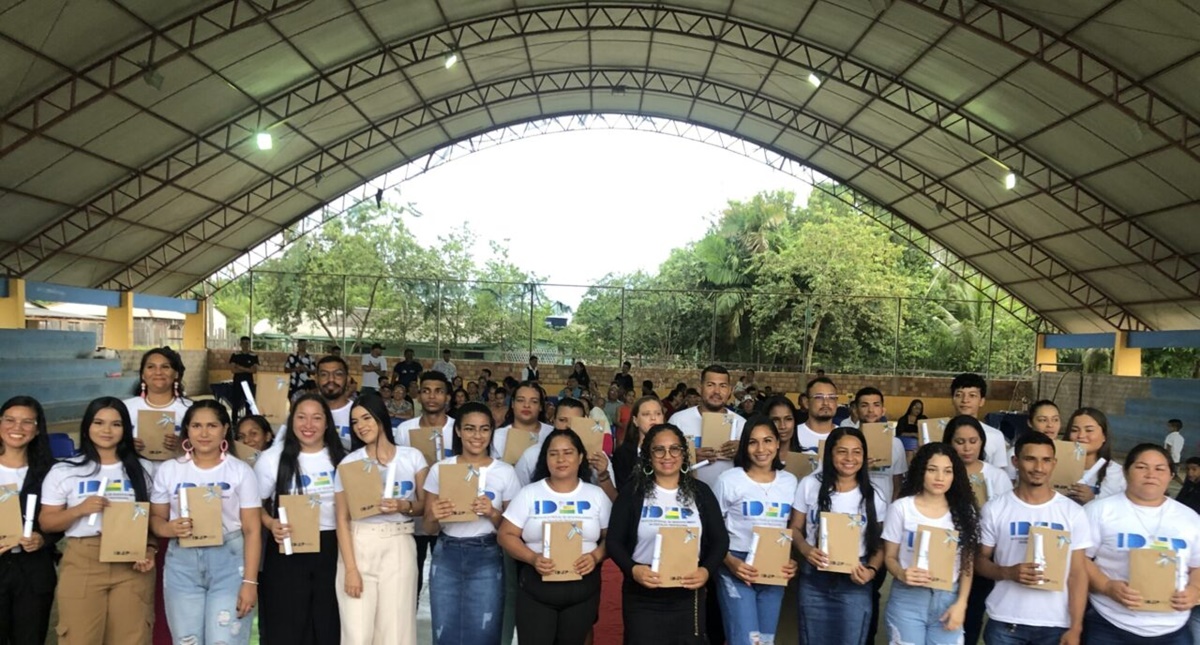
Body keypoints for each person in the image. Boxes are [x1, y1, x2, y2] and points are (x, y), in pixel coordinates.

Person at [40, 397, 157, 644]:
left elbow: (154, 518)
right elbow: (48, 523)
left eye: (116, 424)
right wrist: (78, 510)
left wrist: (150, 549)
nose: (107, 430)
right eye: (99, 422)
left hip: (131, 563)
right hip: (84, 561)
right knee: (79, 637)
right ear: (87, 427)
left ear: (125, 429)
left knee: (131, 637)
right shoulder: (65, 470)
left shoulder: (143, 468)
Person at [150, 400, 261, 644]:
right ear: (187, 430)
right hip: (182, 565)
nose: (203, 433)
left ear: (224, 429)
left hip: (229, 564)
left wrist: (250, 582)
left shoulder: (240, 471)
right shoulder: (170, 470)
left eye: (212, 425)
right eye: (196, 425)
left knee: (225, 639)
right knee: (186, 639)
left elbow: (252, 530)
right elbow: (156, 519)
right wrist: (168, 528)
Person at [606, 423, 729, 643]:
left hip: (688, 593)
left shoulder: (701, 493)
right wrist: (633, 570)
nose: (667, 456)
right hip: (643, 594)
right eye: (659, 449)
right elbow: (614, 541)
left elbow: (720, 540)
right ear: (648, 455)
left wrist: (706, 571)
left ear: (683, 454)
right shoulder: (633, 492)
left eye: (675, 449)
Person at [974, 432, 1091, 645]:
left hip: (1056, 624)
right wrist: (1007, 572)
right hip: (1005, 621)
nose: (1039, 468)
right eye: (1030, 459)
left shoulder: (1073, 513)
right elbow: (979, 561)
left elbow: (1077, 573)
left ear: (1054, 463)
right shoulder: (995, 509)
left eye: (1046, 460)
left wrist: (1076, 626)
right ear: (1015, 462)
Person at [499, 428, 611, 644]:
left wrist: (596, 556)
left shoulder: (595, 495)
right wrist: (532, 558)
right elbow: (506, 535)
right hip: (537, 587)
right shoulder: (530, 493)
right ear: (545, 459)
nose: (561, 459)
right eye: (553, 453)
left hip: (582, 589)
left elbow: (611, 538)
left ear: (580, 457)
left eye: (568, 452)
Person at [423, 402, 521, 645]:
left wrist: (493, 513)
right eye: (469, 429)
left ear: (491, 432)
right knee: (445, 630)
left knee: (484, 631)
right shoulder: (440, 470)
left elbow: (513, 532)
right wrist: (434, 514)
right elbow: (429, 528)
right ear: (458, 431)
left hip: (487, 554)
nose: (477, 436)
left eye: (484, 429)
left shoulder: (505, 472)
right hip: (447, 553)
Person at [1083, 443, 1200, 644]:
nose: (1150, 474)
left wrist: (1195, 589)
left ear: (1171, 475)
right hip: (1109, 625)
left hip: (1173, 629)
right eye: (1141, 467)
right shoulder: (1099, 511)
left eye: (1160, 468)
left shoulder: (1190, 518)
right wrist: (1107, 586)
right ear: (1126, 472)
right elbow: (1078, 559)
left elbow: (1197, 565)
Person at [334, 394, 427, 645]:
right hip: (360, 542)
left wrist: (403, 505)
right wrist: (351, 570)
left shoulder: (412, 457)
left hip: (399, 543)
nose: (361, 426)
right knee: (358, 632)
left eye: (366, 418)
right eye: (354, 422)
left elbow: (425, 506)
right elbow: (341, 519)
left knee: (396, 631)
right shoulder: (349, 463)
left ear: (381, 418)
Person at [255, 394, 348, 644]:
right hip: (287, 547)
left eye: (317, 418)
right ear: (292, 420)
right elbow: (253, 506)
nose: (309, 425)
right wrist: (270, 523)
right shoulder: (272, 460)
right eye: (301, 417)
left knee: (328, 622)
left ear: (327, 423)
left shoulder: (343, 459)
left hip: (332, 547)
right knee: (288, 623)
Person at [790, 427, 886, 645]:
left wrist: (871, 571)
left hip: (854, 581)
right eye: (842, 451)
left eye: (857, 452)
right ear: (830, 454)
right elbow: (795, 529)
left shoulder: (874, 495)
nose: (850, 458)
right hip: (814, 579)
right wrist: (806, 550)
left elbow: (880, 543)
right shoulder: (810, 485)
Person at [882, 442, 980, 645]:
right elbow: (889, 556)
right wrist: (901, 573)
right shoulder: (901, 508)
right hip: (907, 598)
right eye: (932, 470)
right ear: (920, 471)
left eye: (947, 471)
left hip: (948, 599)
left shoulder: (964, 511)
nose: (939, 478)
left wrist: (962, 604)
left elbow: (967, 565)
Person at [713, 416, 798, 644]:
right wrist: (729, 561)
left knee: (766, 639)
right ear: (744, 446)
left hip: (774, 566)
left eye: (768, 440)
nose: (761, 449)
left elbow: (795, 528)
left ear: (778, 443)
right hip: (736, 564)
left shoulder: (790, 482)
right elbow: (712, 529)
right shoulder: (728, 480)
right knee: (745, 639)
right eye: (753, 442)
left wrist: (792, 560)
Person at [0, 396, 58, 644]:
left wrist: (42, 539)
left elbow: (60, 520)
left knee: (30, 639)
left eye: (27, 422)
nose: (17, 428)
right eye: (10, 420)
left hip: (34, 571)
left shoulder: (52, 472)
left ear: (37, 429)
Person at [395, 370, 455, 595]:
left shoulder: (458, 429)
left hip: (448, 518)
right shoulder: (404, 430)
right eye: (426, 391)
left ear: (447, 396)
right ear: (418, 396)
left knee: (445, 585)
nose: (432, 396)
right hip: (413, 518)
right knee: (410, 583)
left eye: (439, 391)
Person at [668, 364, 745, 489]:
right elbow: (663, 456)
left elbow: (754, 464)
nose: (717, 391)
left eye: (723, 386)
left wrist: (742, 449)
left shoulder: (741, 424)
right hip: (686, 494)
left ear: (730, 391)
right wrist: (690, 456)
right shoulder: (678, 420)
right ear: (700, 388)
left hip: (728, 497)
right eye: (710, 385)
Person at [126, 347, 191, 457]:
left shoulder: (191, 410)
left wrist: (185, 445)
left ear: (176, 374)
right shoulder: (125, 408)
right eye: (151, 367)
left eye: (165, 367)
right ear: (142, 375)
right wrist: (125, 446)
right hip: (135, 472)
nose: (158, 372)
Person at [1064, 407, 1125, 504]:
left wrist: (1093, 500)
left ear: (1104, 436)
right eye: (1075, 430)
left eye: (1089, 430)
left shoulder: (1118, 474)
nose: (1081, 436)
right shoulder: (1056, 468)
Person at [950, 373, 1010, 471]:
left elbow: (998, 474)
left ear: (982, 401)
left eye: (972, 395)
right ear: (953, 399)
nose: (965, 400)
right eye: (959, 395)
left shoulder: (996, 435)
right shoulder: (938, 430)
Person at [613, 396, 666, 491]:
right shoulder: (623, 454)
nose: (653, 418)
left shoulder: (676, 452)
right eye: (646, 414)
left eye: (658, 414)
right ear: (635, 420)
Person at [494, 382, 552, 464]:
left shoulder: (552, 434)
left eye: (534, 401)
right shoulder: (497, 436)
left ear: (541, 406)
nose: (526, 405)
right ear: (513, 404)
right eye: (521, 400)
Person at [229, 336, 260, 401]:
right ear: (240, 344)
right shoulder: (235, 355)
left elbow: (254, 370)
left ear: (249, 344)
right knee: (236, 403)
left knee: (249, 403)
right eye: (243, 343)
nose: (245, 345)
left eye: (247, 343)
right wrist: (248, 369)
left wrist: (239, 367)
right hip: (237, 381)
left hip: (248, 381)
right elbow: (233, 370)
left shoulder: (253, 355)